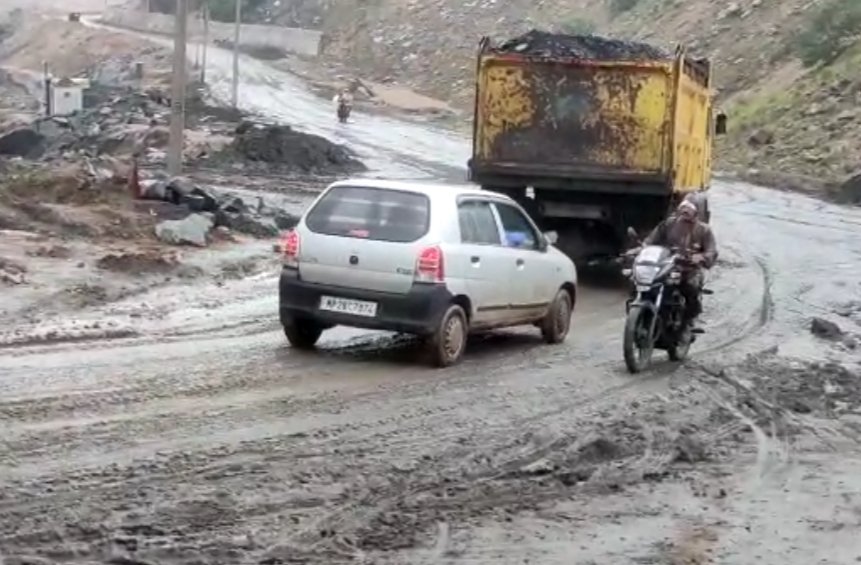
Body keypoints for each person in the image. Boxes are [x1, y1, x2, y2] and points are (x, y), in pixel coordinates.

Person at [643, 199, 717, 324]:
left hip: (690, 269)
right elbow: (651, 240)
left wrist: (701, 257)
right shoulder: (669, 224)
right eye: (683, 207)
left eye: (689, 208)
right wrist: (642, 248)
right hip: (666, 265)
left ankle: (687, 323)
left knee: (690, 288)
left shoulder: (704, 230)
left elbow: (711, 251)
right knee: (647, 284)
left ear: (696, 211)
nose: (684, 210)